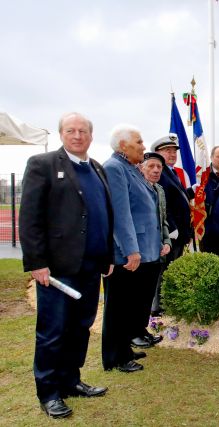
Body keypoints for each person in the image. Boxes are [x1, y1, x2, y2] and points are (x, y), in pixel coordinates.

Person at [20, 112, 112, 419]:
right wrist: (37, 263)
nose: (77, 135)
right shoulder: (42, 165)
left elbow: (104, 215)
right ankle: (49, 393)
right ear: (62, 134)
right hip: (57, 270)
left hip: (90, 267)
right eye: (70, 130)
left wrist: (108, 256)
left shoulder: (97, 168)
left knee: (80, 328)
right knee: (53, 331)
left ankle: (71, 380)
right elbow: (30, 218)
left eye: (82, 130)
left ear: (90, 135)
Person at [102, 124, 163, 373]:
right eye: (139, 142)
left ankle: (124, 350)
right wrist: (130, 249)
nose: (143, 146)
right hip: (126, 254)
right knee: (118, 308)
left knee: (129, 307)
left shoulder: (130, 168)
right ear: (123, 145)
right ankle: (115, 358)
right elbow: (120, 213)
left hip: (142, 249)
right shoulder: (114, 168)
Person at [151, 134, 194, 315]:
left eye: (174, 151)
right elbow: (162, 202)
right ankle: (157, 307)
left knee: (172, 269)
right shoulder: (159, 173)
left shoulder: (173, 172)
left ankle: (167, 303)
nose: (172, 154)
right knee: (164, 270)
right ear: (157, 152)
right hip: (170, 231)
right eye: (167, 151)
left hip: (180, 231)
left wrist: (191, 191)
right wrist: (172, 227)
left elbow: (179, 198)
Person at [140, 152, 172, 318]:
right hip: (142, 251)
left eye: (159, 167)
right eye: (151, 166)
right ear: (141, 168)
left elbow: (163, 220)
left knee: (151, 289)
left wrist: (167, 241)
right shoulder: (138, 188)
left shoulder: (159, 189)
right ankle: (136, 331)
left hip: (158, 251)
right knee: (141, 293)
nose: (156, 170)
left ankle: (143, 329)